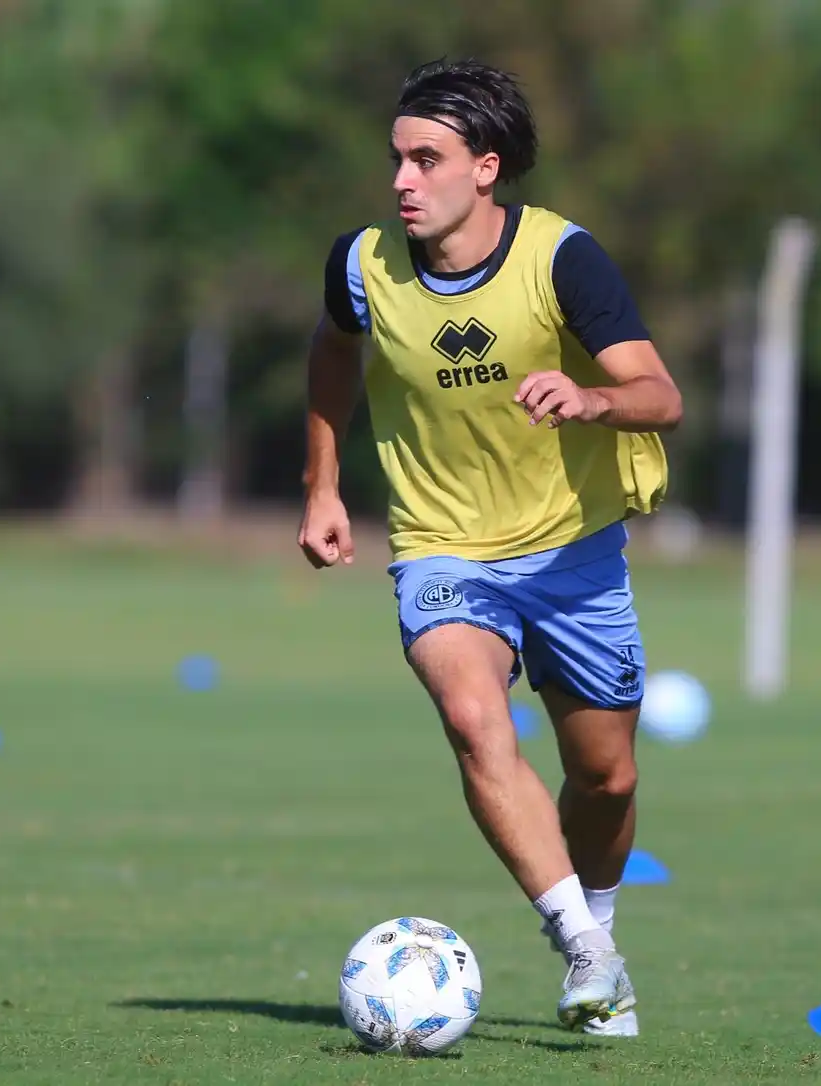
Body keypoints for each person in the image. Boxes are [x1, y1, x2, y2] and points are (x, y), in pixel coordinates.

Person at [297, 58, 682, 1036]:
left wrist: (592, 396)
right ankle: (586, 956)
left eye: (426, 160)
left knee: (607, 777)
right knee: (476, 720)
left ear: (487, 168)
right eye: (396, 159)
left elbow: (660, 395)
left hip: (571, 553)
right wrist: (324, 485)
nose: (401, 181)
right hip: (441, 549)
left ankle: (600, 923)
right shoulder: (362, 264)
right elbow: (335, 350)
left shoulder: (563, 260)